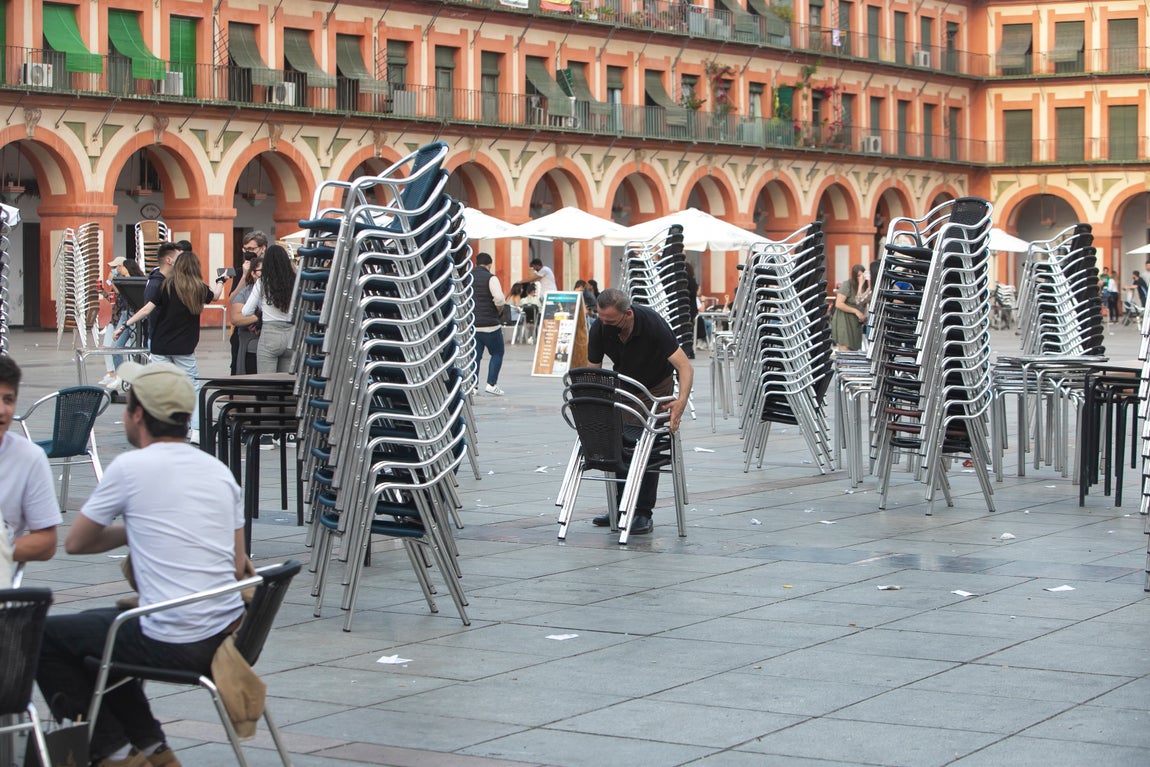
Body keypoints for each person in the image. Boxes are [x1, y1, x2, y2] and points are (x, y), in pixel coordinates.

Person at [35, 361, 246, 767]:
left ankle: (113, 753)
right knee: (101, 635)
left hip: (175, 641)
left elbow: (77, 543)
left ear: (137, 415)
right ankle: (152, 749)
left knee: (45, 636)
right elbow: (238, 565)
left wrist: (134, 528)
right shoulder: (219, 472)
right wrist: (153, 527)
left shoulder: (132, 468)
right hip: (223, 636)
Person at [586, 289, 693, 535]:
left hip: (657, 384)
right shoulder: (600, 327)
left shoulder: (652, 324)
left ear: (628, 314)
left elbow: (684, 366)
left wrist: (681, 400)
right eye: (602, 318)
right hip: (625, 384)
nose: (605, 324)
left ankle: (643, 512)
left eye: (611, 321)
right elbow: (594, 369)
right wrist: (595, 403)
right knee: (622, 443)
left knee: (648, 444)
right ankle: (621, 507)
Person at [117, 252, 227, 439]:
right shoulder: (198, 288)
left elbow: (146, 309)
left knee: (160, 385)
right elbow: (215, 296)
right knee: (192, 386)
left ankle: (155, 427)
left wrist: (125, 325)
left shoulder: (165, 285)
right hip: (184, 347)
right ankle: (197, 431)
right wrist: (221, 281)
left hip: (161, 344)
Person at [0, 355, 61, 564]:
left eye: (8, 400)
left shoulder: (29, 458)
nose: (1, 410)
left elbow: (46, 541)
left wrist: (3, 551)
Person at [242, 244, 296, 373]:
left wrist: (262, 308)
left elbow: (246, 312)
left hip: (270, 334)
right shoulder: (295, 281)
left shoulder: (263, 282)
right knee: (286, 384)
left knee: (266, 382)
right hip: (291, 335)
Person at [98, 257, 145, 389]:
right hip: (124, 316)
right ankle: (120, 376)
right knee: (116, 347)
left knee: (135, 348)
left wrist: (113, 280)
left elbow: (122, 295)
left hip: (133, 316)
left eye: (119, 267)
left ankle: (134, 377)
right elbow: (116, 297)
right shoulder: (121, 281)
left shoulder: (134, 281)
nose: (116, 269)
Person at [472, 253, 506, 395]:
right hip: (491, 325)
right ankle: (491, 384)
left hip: (473, 325)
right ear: (489, 264)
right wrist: (498, 311)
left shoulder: (468, 277)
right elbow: (499, 299)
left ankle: (473, 386)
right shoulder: (491, 278)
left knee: (475, 357)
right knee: (497, 353)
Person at [228, 257, 262, 375]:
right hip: (249, 343)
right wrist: (259, 318)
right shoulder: (245, 292)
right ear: (252, 273)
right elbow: (235, 317)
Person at [831, 263, 871, 351]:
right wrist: (856, 311)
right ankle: (843, 365)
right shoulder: (848, 284)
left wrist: (863, 315)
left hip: (856, 321)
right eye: (858, 276)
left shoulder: (867, 287)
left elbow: (863, 302)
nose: (861, 278)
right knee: (845, 345)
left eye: (862, 275)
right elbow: (839, 303)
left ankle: (850, 364)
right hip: (844, 319)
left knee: (855, 347)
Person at [683, 262, 700, 359]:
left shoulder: (684, 281)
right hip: (692, 308)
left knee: (686, 329)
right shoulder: (693, 281)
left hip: (686, 307)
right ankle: (690, 350)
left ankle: (687, 350)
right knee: (690, 330)